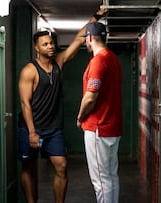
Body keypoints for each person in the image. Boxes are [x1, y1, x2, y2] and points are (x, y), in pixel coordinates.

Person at [17, 6, 107, 203]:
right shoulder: (29, 71)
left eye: (51, 43)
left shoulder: (59, 62)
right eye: (45, 44)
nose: (50, 46)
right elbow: (25, 103)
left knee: (61, 166)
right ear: (37, 48)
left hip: (53, 130)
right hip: (31, 128)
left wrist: (95, 17)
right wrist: (32, 132)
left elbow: (78, 39)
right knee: (28, 168)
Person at [76, 22, 123, 203]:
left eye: (86, 40)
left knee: (101, 180)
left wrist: (80, 117)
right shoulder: (113, 59)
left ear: (90, 38)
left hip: (98, 127)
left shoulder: (98, 61)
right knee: (111, 176)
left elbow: (90, 98)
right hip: (112, 126)